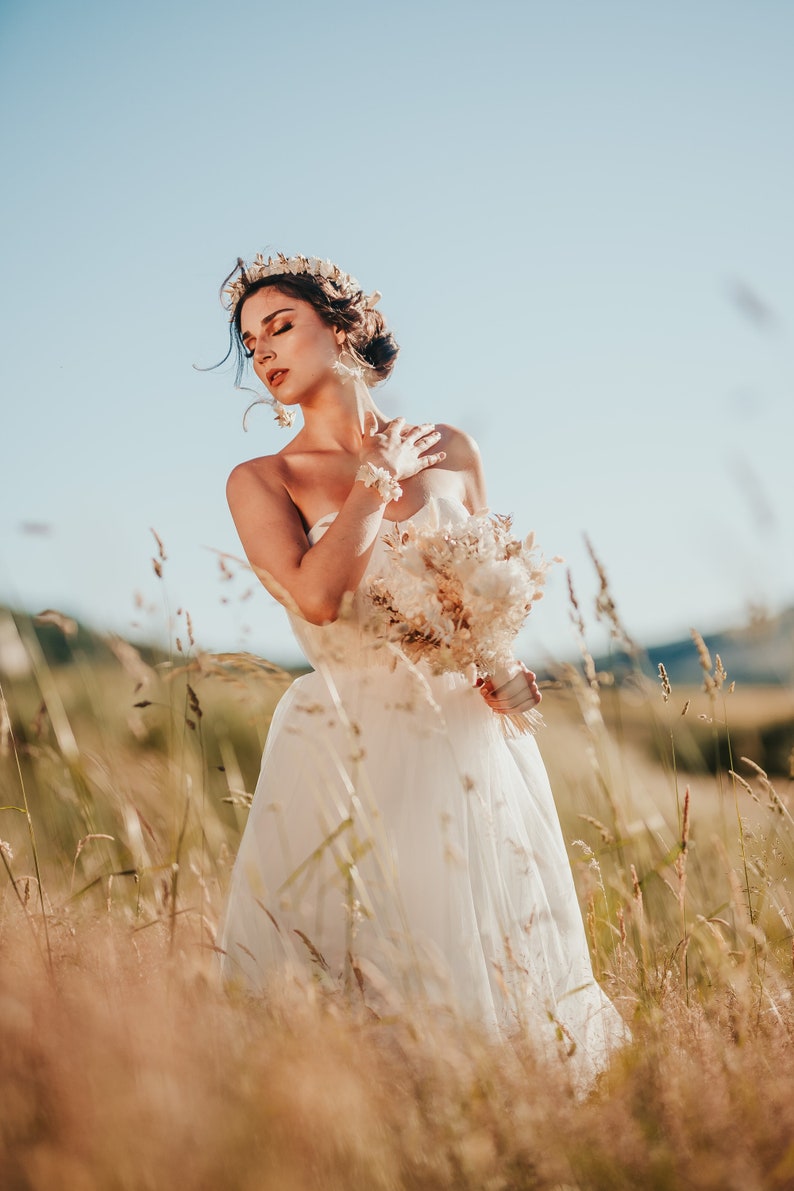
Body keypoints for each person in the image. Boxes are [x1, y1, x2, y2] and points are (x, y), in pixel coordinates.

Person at [216, 253, 628, 1084]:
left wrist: (501, 670)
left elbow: (478, 595)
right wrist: (374, 484)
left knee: (487, 957)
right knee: (351, 966)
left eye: (280, 326)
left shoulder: (456, 450)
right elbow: (318, 598)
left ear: (343, 326)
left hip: (470, 740)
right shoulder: (264, 479)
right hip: (345, 737)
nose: (262, 353)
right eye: (251, 342)